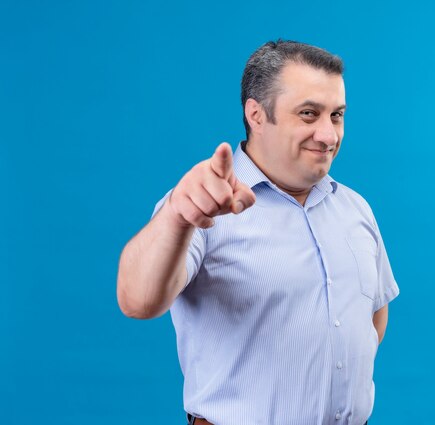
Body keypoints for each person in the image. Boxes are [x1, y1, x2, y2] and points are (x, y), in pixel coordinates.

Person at [117, 40, 399, 425]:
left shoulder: (355, 208)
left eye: (336, 115)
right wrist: (176, 218)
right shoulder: (202, 206)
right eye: (308, 113)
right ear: (257, 115)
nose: (329, 135)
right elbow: (137, 300)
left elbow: (373, 320)